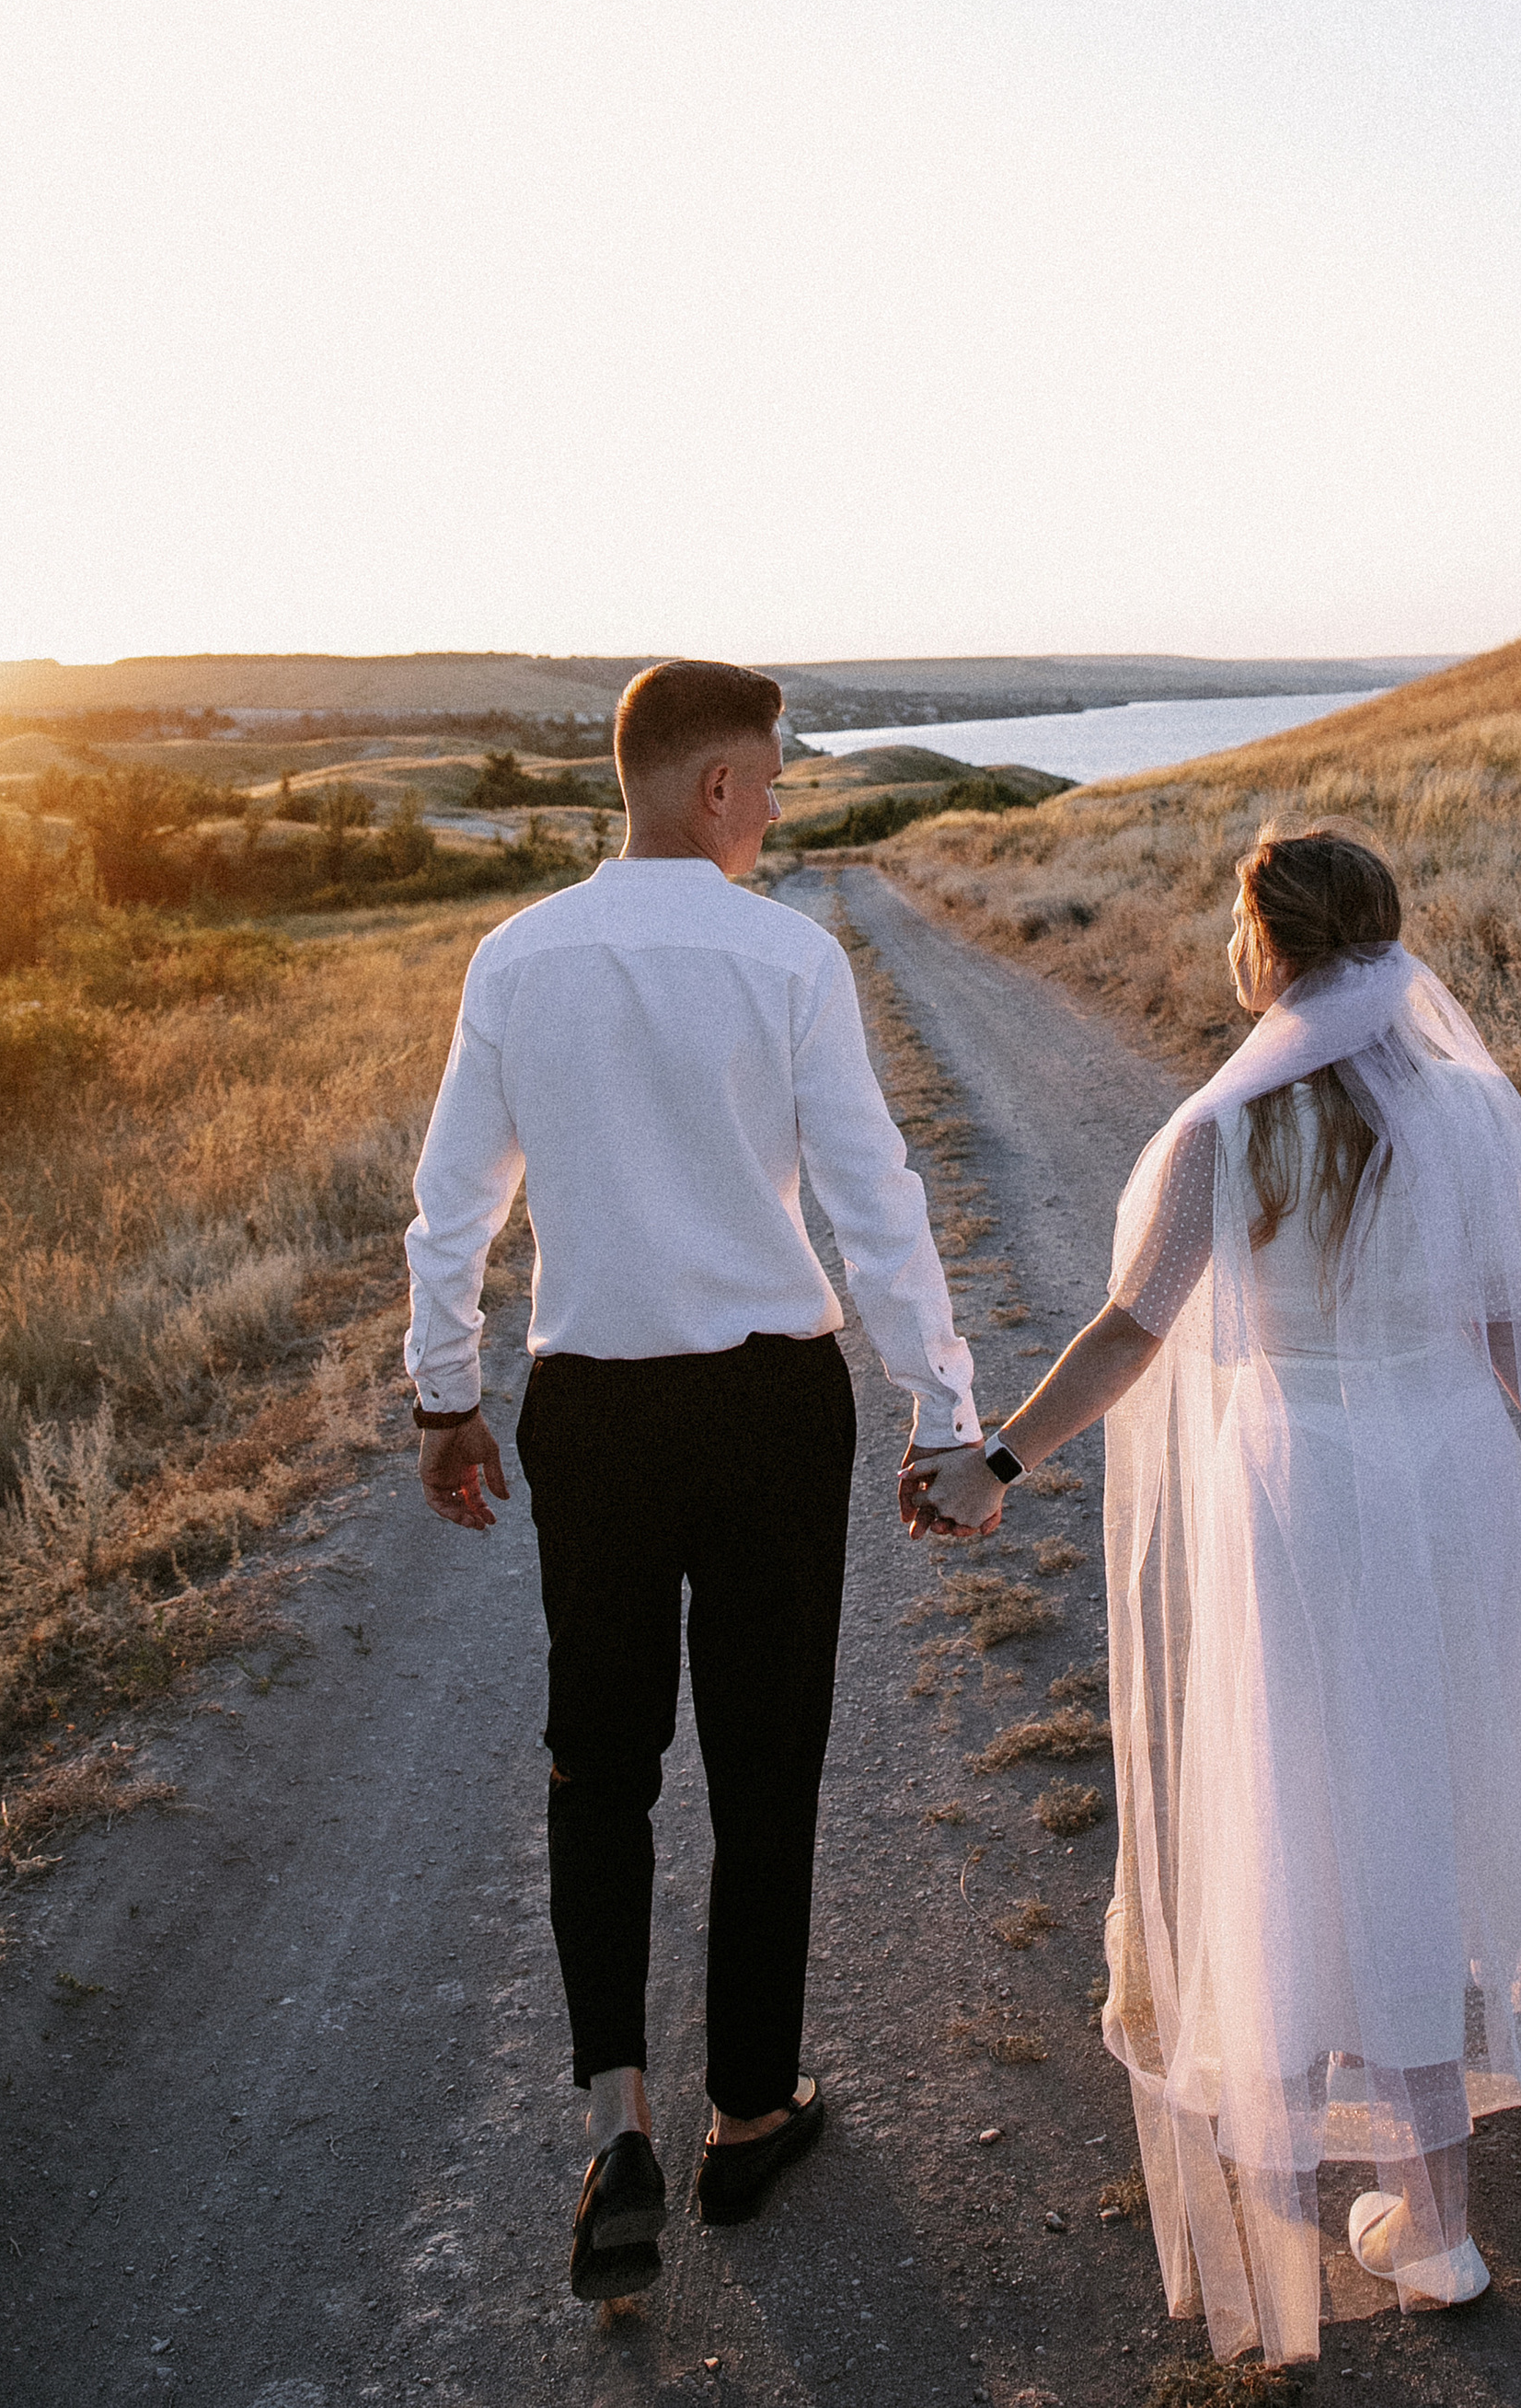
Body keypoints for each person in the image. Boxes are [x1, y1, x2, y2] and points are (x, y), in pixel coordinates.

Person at [907, 826, 1521, 2365]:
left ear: (1266, 944)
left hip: (1307, 1495)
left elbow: (1133, 1333)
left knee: (1316, 1809)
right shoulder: (1474, 1108)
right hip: (1451, 1487)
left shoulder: (1223, 1133)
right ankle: (1431, 2211)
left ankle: (1411, 2210)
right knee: (1436, 1802)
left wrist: (999, 1459)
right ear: (1386, 939)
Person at [404, 660, 982, 2301]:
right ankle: (747, 2113)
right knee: (764, 1760)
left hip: (593, 1407)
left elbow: (457, 1207)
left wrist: (446, 1400)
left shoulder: (516, 959)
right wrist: (946, 1412)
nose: (784, 802)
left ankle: (618, 2125)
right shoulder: (789, 957)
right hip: (769, 1408)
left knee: (600, 1762)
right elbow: (876, 1204)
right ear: (717, 785)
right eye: (777, 776)